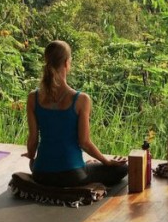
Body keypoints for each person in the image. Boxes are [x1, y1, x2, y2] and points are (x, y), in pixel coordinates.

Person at [24, 40, 127, 187]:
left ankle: (80, 166)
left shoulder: (32, 97)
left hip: (41, 174)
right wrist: (106, 161)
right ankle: (88, 167)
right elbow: (84, 143)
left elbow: (32, 140)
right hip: (72, 175)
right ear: (67, 63)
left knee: (33, 163)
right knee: (122, 168)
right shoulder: (81, 100)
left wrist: (30, 155)